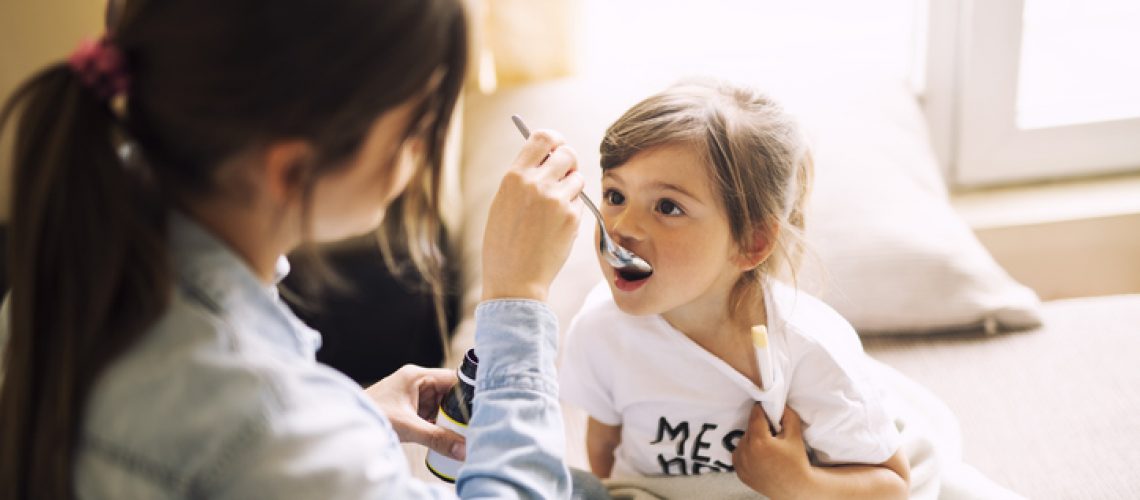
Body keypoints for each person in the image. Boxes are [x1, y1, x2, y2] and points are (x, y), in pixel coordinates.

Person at [0, 0, 590, 498]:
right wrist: (519, 297)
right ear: (292, 169)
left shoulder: (82, 247)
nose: (418, 157)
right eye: (415, 129)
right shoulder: (272, 427)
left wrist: (346, 415)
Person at [558, 80, 912, 498]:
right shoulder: (600, 330)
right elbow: (603, 450)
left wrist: (799, 482)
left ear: (752, 244)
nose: (622, 227)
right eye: (615, 195)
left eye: (667, 207)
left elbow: (893, 487)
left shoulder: (810, 351)